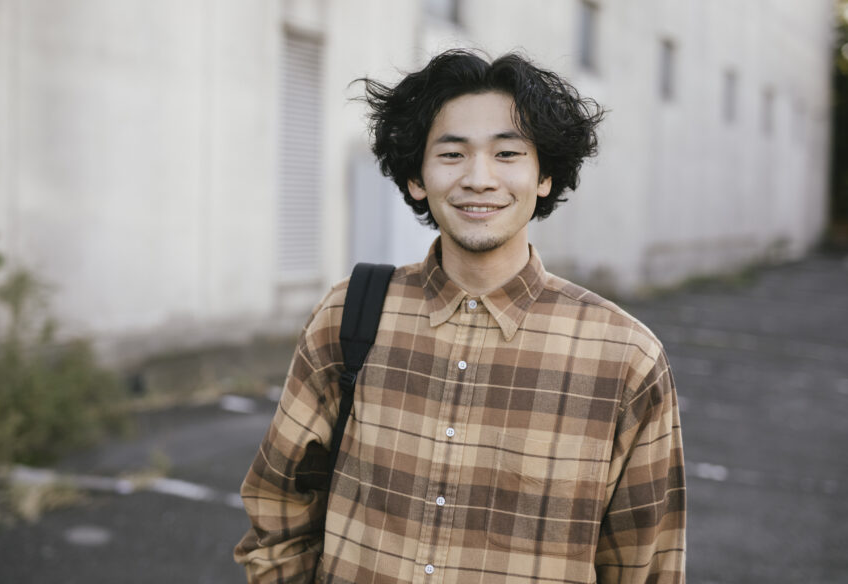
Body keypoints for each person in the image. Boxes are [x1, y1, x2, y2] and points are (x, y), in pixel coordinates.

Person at [234, 49, 686, 583]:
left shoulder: (625, 358)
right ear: (416, 178)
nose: (478, 178)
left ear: (544, 175)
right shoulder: (347, 315)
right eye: (452, 154)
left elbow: (646, 565)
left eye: (507, 153)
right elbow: (279, 507)